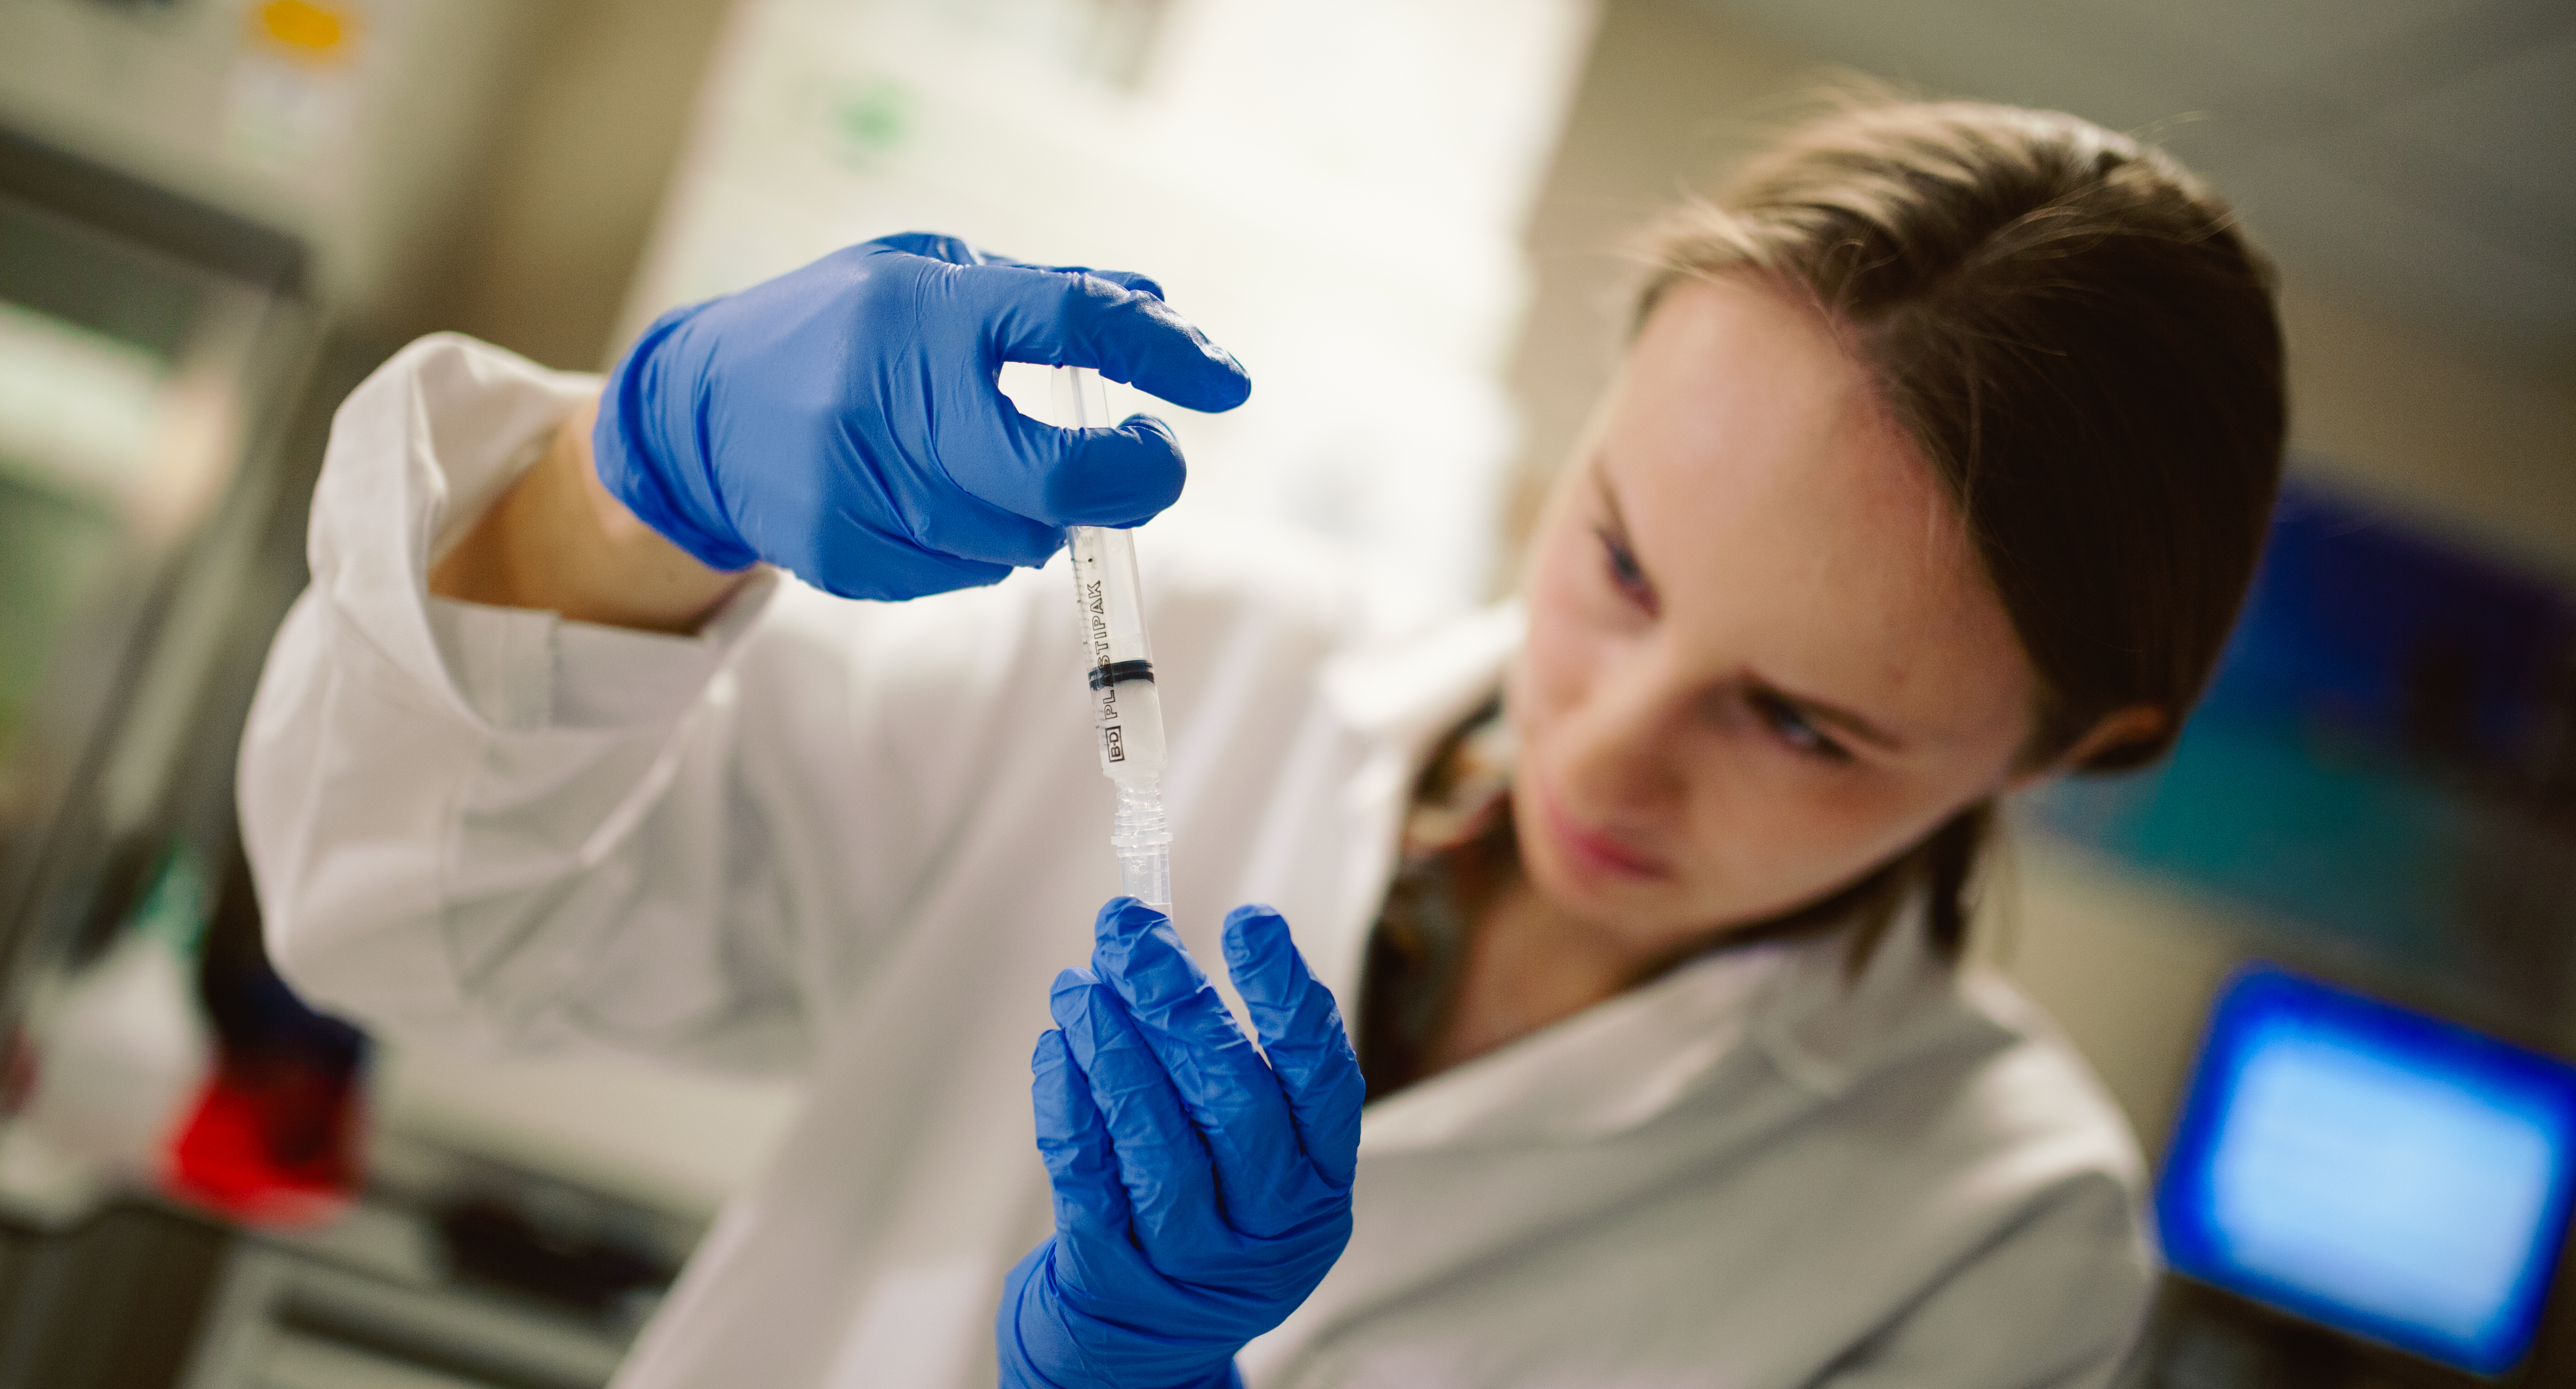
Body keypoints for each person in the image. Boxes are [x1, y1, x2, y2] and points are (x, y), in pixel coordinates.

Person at [239, 100, 2285, 1388]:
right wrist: (630, 483)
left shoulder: (1994, 1238)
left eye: (1803, 719)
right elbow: (407, 937)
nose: (1607, 747)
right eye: (1622, 563)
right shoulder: (1185, 674)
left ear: (2066, 747)